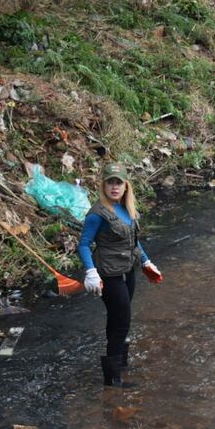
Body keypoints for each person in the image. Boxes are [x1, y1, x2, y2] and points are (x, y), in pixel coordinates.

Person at [78, 162, 161, 388]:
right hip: (107, 275)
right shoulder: (97, 214)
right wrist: (91, 272)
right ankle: (112, 380)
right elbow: (84, 244)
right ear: (103, 185)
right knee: (122, 321)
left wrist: (146, 261)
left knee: (118, 318)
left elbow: (133, 240)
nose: (114, 187)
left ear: (126, 186)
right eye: (110, 182)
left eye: (119, 182)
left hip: (128, 272)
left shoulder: (127, 209)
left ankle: (120, 364)